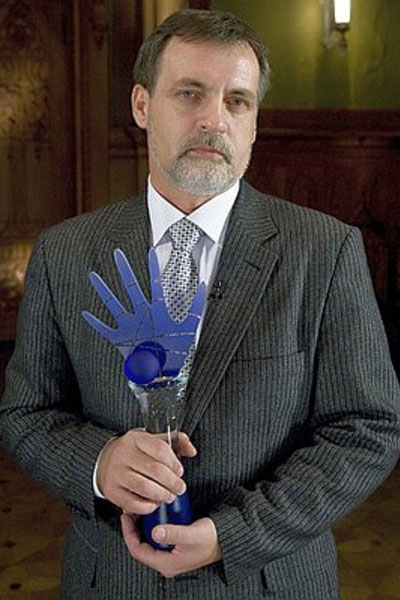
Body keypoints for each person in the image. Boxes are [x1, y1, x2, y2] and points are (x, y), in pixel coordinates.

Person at [1, 8, 400, 600]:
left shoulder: (325, 250)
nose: (214, 119)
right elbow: (26, 412)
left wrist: (231, 535)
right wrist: (98, 463)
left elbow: (368, 428)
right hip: (111, 581)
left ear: (254, 123)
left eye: (237, 101)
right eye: (190, 93)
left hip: (268, 583)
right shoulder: (66, 252)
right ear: (141, 105)